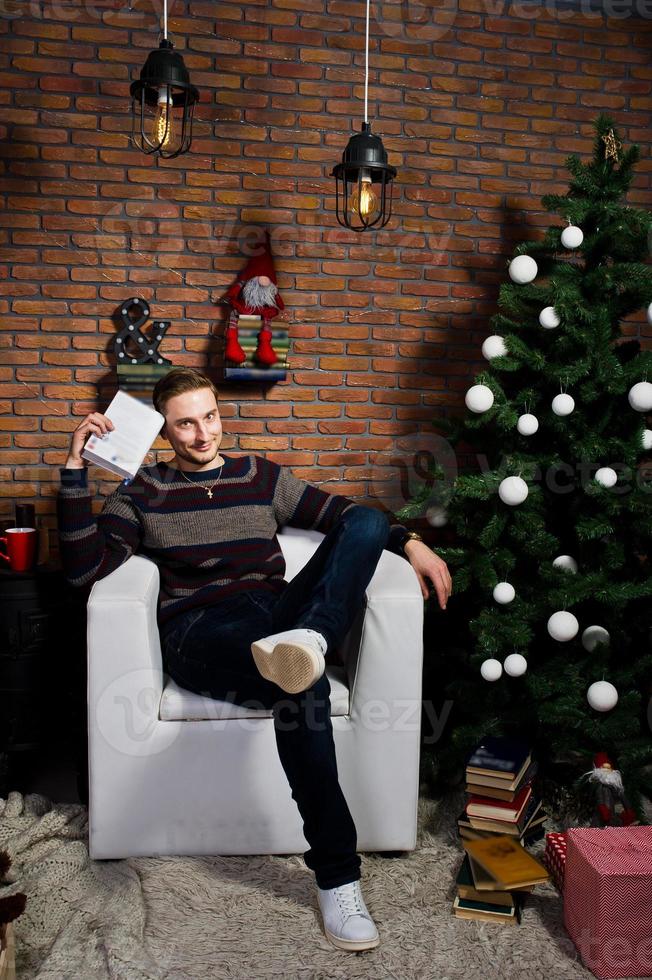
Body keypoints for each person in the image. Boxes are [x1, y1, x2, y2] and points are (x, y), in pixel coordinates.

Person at [57, 367, 452, 953]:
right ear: (165, 431)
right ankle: (339, 880)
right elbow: (84, 571)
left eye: (209, 417)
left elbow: (343, 517)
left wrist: (412, 541)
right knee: (302, 685)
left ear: (220, 413)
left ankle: (311, 640)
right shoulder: (142, 493)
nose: (201, 433)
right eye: (185, 423)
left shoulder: (258, 475)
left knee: (368, 520)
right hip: (202, 629)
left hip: (277, 616)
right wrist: (73, 471)